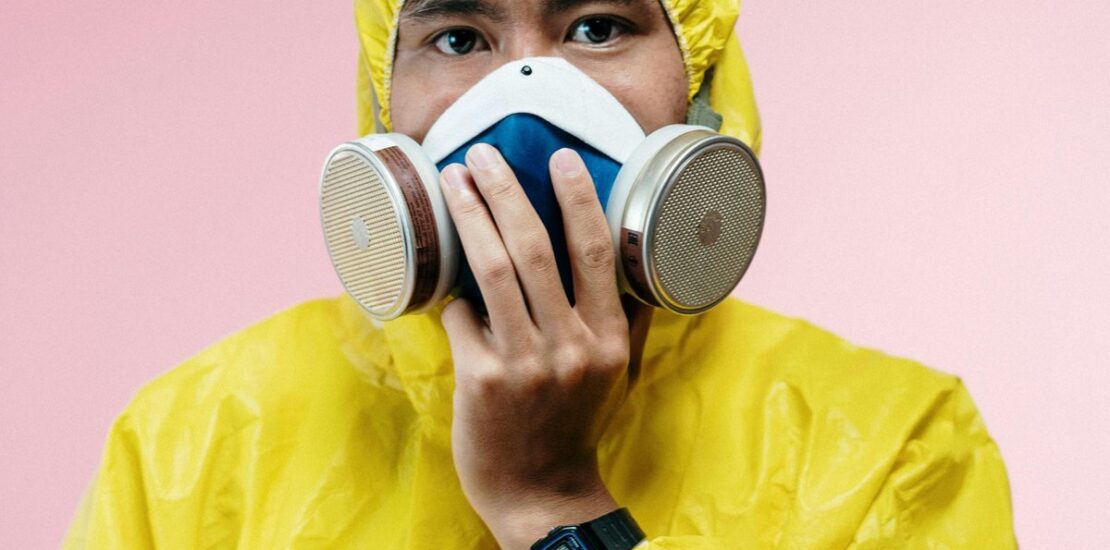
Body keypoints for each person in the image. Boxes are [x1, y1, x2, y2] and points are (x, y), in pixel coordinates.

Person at [64, 0, 1017, 548]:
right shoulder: (191, 442)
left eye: (598, 26)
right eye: (459, 38)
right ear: (380, 95)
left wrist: (556, 506)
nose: (522, 99)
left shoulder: (893, 449)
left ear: (703, 86)